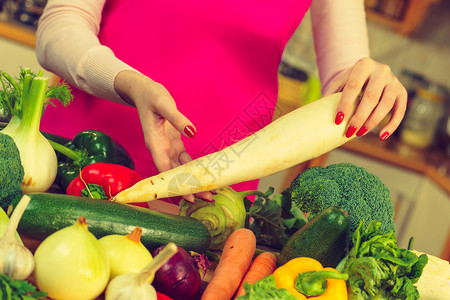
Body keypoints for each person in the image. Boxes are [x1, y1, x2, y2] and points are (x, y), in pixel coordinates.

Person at [35, 0, 407, 203]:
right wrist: (129, 83)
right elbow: (61, 23)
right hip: (78, 160)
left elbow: (345, 83)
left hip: (213, 185)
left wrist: (366, 84)